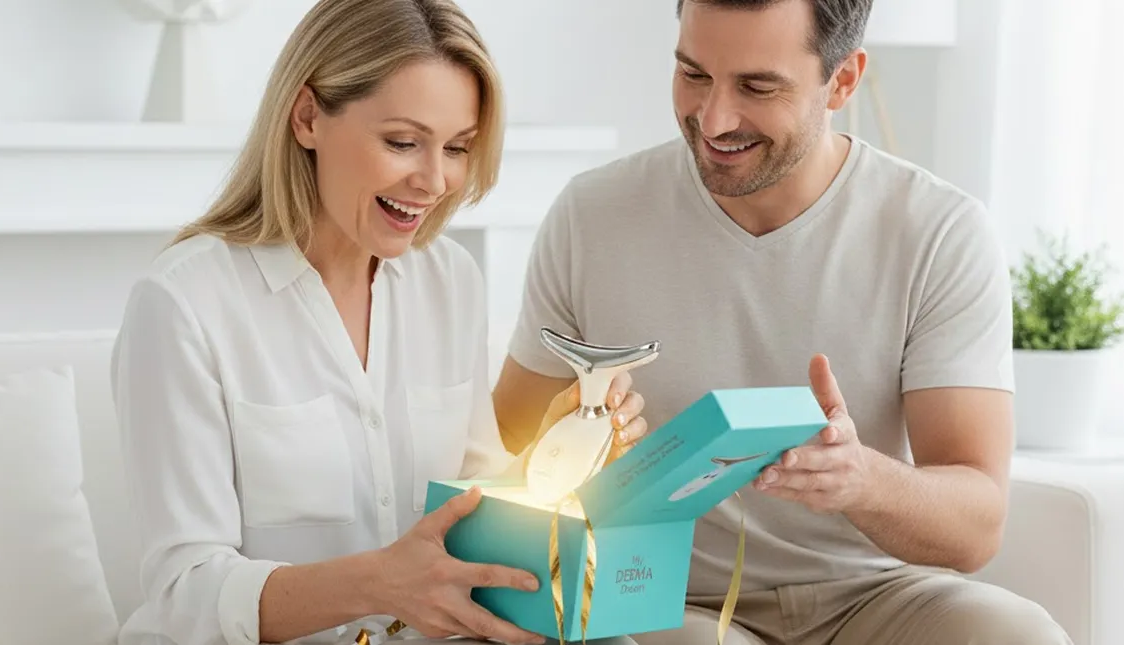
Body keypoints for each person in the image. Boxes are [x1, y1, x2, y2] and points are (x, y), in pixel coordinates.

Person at [491, 0, 1074, 644]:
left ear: (843, 81)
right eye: (693, 74)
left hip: (875, 596)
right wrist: (574, 442)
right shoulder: (594, 216)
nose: (714, 119)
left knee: (1017, 634)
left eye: (757, 87)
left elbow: (976, 531)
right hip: (666, 598)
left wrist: (861, 480)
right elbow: (501, 451)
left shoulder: (939, 232)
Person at [109, 1, 650, 644]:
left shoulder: (449, 281)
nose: (435, 180)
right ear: (307, 117)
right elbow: (185, 592)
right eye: (402, 142)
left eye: (457, 148)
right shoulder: (183, 302)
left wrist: (558, 453)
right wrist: (378, 583)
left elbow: (470, 504)